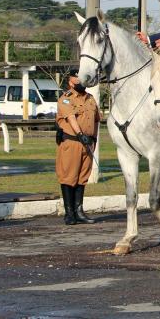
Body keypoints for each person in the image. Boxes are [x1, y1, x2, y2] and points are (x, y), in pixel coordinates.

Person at [56, 69, 101, 225]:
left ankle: (79, 211)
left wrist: (93, 138)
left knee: (82, 177)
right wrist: (80, 134)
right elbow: (71, 118)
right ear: (71, 82)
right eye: (77, 79)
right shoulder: (66, 99)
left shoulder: (90, 98)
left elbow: (96, 120)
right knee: (69, 176)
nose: (81, 82)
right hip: (72, 142)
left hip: (87, 143)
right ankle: (69, 213)